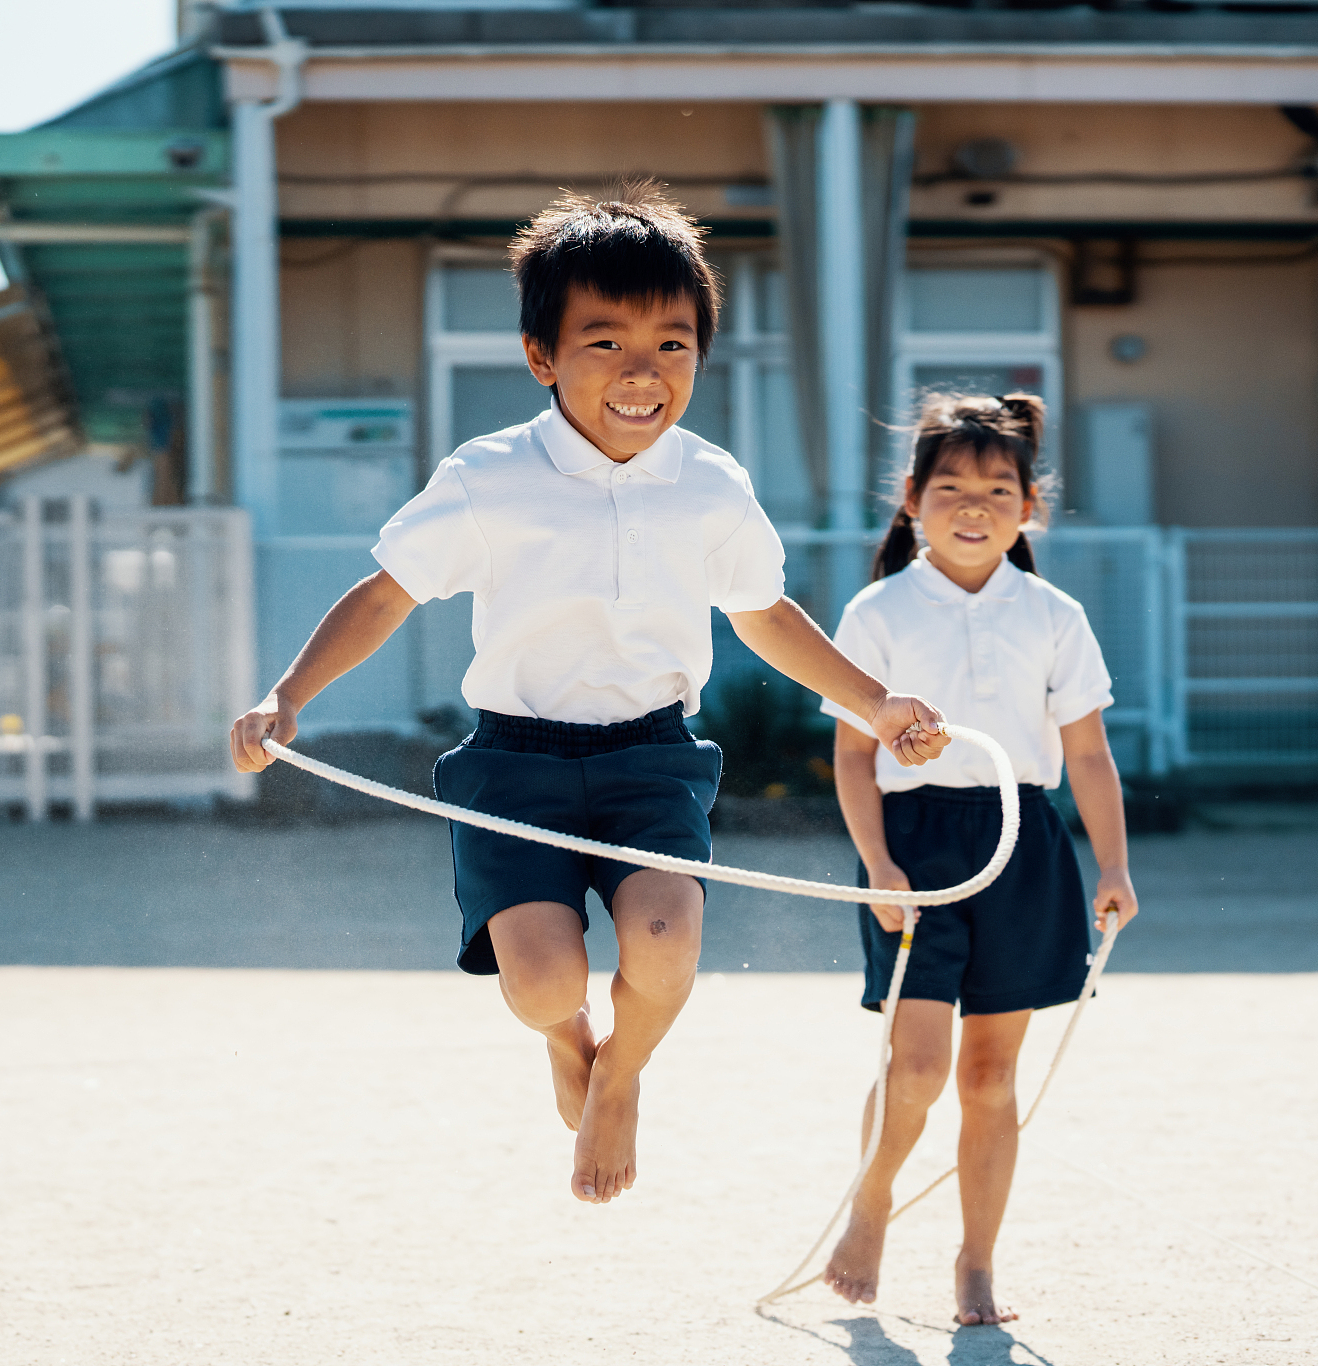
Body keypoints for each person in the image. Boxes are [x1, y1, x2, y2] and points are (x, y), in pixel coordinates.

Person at [229, 185, 951, 1206]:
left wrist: (876, 702)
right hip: (511, 762)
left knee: (665, 942)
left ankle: (621, 1074)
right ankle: (569, 1041)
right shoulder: (488, 477)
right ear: (541, 357)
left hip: (651, 756)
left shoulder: (709, 484)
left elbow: (763, 612)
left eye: (671, 345)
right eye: (604, 343)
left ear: (699, 355)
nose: (640, 372)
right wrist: (286, 693)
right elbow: (387, 591)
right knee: (541, 982)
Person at [815, 393, 1139, 1323]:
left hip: (1023, 846)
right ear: (912, 498)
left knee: (991, 1078)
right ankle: (870, 1205)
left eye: (999, 487)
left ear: (1029, 505)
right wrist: (877, 863)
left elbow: (1087, 753)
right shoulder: (876, 611)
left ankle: (976, 1264)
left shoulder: (1053, 613)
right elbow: (849, 754)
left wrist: (1113, 866)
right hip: (913, 852)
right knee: (915, 1069)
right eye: (950, 484)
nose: (974, 503)